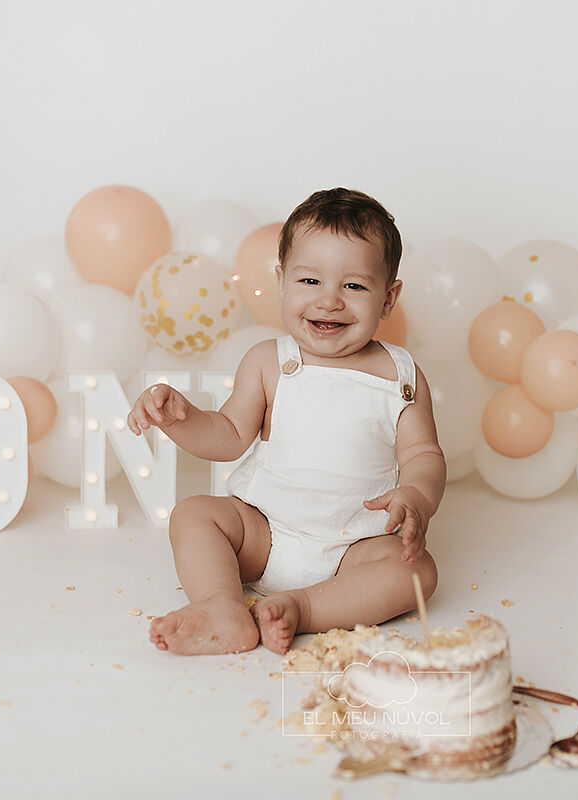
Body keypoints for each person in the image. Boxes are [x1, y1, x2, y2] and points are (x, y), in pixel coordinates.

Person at [127, 188, 446, 656]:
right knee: (194, 514)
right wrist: (181, 419)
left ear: (388, 297)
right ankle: (221, 605)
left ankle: (303, 607)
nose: (329, 301)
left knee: (417, 571)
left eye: (354, 287)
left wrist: (418, 495)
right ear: (282, 281)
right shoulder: (269, 362)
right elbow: (228, 436)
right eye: (310, 281)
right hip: (264, 532)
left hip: (355, 547)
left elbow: (423, 453)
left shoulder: (401, 375)